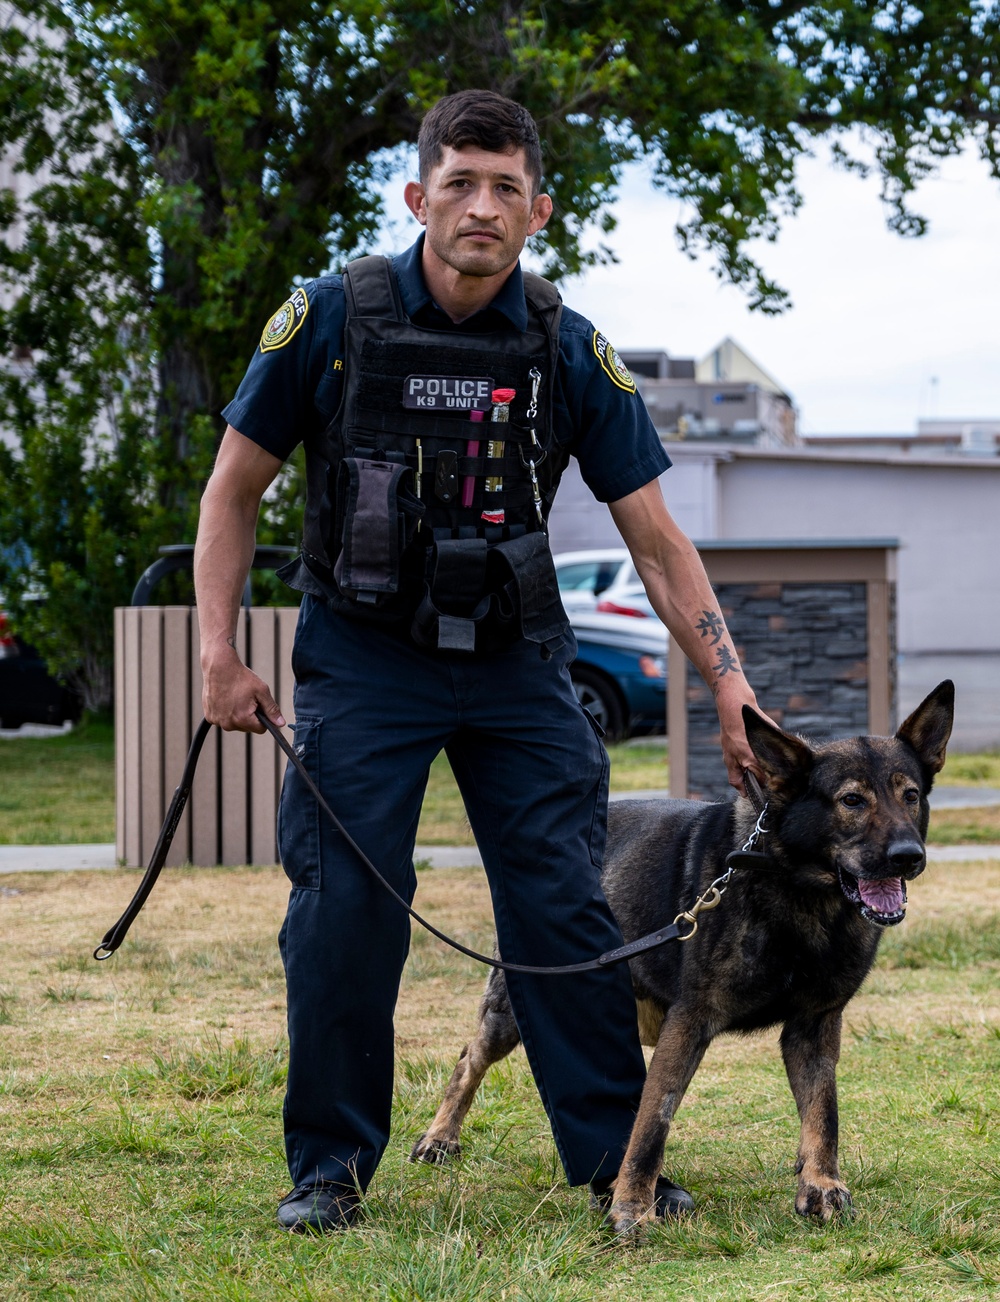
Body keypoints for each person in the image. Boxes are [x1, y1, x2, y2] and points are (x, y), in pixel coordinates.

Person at [193, 89, 763, 1233]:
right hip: (362, 659)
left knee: (564, 905)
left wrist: (729, 683)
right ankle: (328, 1172)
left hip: (516, 663)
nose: (481, 206)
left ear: (538, 209)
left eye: (506, 187)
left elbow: (656, 536)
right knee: (347, 905)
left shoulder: (564, 347)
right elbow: (232, 492)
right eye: (459, 181)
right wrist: (219, 651)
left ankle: (613, 1161)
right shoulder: (329, 317)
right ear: (417, 195)